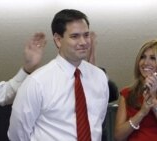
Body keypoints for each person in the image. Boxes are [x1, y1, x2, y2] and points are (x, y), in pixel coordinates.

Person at [8, 9, 109, 141]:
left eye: (86, 35)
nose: (83, 42)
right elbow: (18, 134)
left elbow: (98, 121)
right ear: (58, 40)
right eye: (75, 36)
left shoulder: (99, 76)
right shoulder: (37, 82)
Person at [114, 39, 157, 141]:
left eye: (153, 58)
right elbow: (118, 136)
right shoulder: (127, 93)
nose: (146, 62)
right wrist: (142, 113)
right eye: (142, 57)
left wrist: (154, 103)